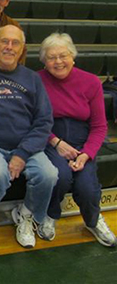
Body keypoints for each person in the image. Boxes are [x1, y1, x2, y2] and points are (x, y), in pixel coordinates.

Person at [0, 25, 58, 251]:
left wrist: (22, 153)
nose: (9, 47)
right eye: (4, 42)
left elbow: (44, 121)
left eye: (15, 43)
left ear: (22, 49)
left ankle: (24, 215)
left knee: (49, 174)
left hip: (26, 145)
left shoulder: (32, 78)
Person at [38, 33, 116, 247]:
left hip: (83, 143)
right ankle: (50, 215)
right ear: (44, 62)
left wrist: (86, 154)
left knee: (87, 186)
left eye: (63, 55)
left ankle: (93, 221)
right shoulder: (38, 80)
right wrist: (56, 142)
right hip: (51, 140)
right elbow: (33, 121)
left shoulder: (91, 82)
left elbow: (100, 126)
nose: (58, 61)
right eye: (51, 57)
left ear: (73, 56)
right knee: (59, 176)